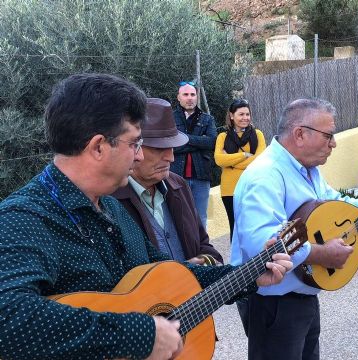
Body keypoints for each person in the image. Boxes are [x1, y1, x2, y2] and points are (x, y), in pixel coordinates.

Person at [0, 73, 292, 360]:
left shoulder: (111, 209)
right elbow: (8, 315)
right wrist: (140, 334)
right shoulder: (25, 217)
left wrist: (246, 275)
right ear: (99, 146)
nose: (139, 156)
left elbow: (168, 273)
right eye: (134, 144)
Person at [230, 98, 358, 360]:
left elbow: (336, 205)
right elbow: (263, 244)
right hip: (274, 303)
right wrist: (321, 254)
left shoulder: (307, 169)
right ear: (300, 134)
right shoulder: (265, 175)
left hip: (302, 293)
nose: (334, 143)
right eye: (328, 135)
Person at [113, 97, 224, 265]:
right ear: (133, 146)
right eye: (159, 149)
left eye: (172, 147)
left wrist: (204, 263)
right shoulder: (109, 199)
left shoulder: (178, 185)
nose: (171, 157)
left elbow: (204, 245)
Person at [214, 99, 266, 239]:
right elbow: (219, 159)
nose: (245, 118)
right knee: (235, 227)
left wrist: (231, 162)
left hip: (253, 186)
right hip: (230, 190)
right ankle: (236, 261)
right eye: (241, 114)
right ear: (231, 116)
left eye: (247, 114)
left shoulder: (258, 135)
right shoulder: (222, 137)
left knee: (255, 225)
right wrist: (244, 155)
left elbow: (260, 160)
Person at [170, 81, 216, 228]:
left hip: (201, 176)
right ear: (179, 97)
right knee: (177, 216)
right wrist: (199, 141)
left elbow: (211, 143)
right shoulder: (170, 118)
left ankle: (201, 250)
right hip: (176, 176)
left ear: (196, 97)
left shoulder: (207, 119)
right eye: (186, 94)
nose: (189, 98)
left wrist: (185, 139)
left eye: (192, 94)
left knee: (200, 218)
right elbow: (171, 146)